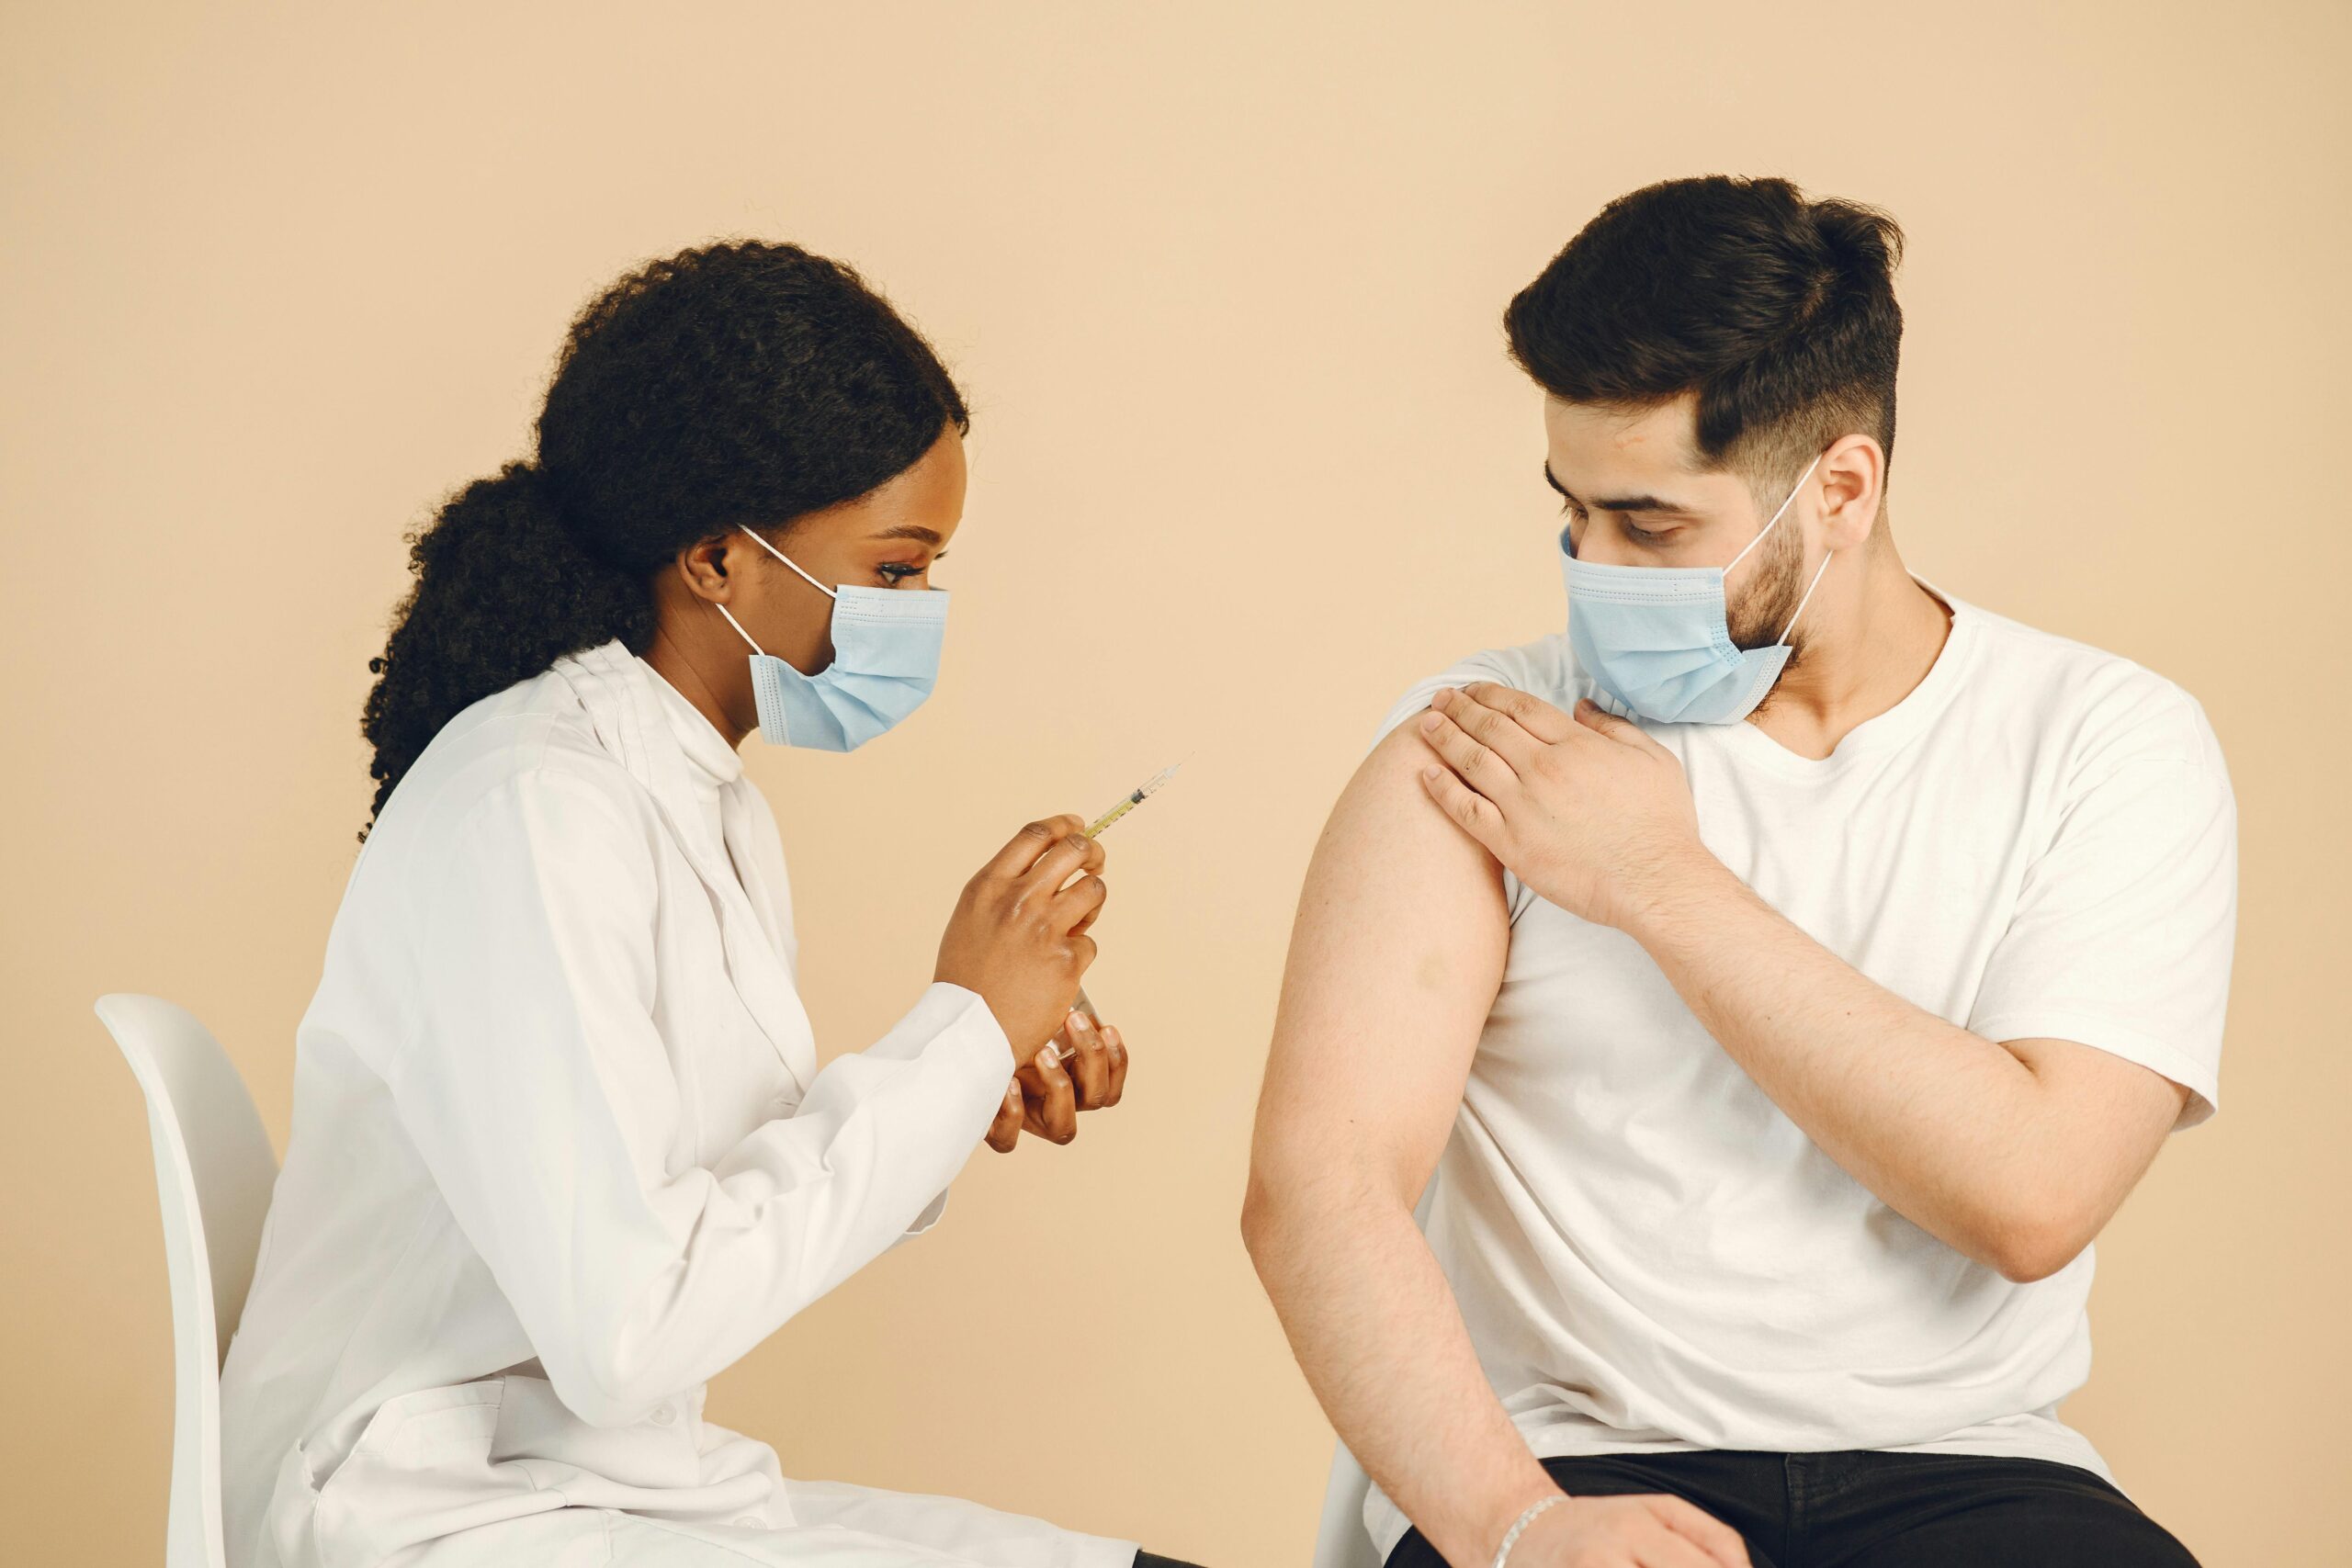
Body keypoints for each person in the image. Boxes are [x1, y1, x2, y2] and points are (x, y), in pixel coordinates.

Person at [1243, 176, 2233, 1568]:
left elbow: (2033, 1196)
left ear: (1840, 490)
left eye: (1650, 528)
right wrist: (1517, 1523)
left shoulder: (2103, 740)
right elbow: (1319, 1185)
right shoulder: (1486, 745)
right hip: (1568, 1463)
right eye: (1573, 511)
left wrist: (1658, 879)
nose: (1591, 567)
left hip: (1973, 1477)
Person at [220, 241, 1199, 1568]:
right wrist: (961, 1030)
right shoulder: (536, 806)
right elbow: (635, 1326)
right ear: (717, 560)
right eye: (896, 571)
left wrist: (962, 1074)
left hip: (581, 1483)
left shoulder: (693, 797)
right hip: (421, 1510)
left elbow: (695, 1193)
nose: (923, 613)